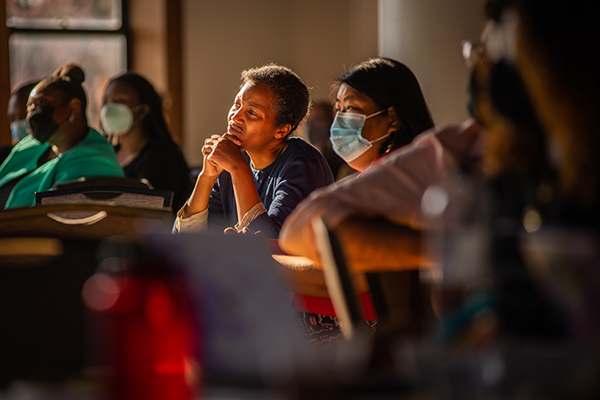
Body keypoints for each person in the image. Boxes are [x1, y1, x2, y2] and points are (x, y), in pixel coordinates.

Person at [279, 58, 435, 343]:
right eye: (338, 110)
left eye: (350, 109)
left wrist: (263, 262)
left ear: (393, 116)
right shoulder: (375, 173)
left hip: (370, 331)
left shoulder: (400, 176)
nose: (339, 122)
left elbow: (349, 274)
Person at [174, 64, 334, 239]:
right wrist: (207, 176)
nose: (235, 117)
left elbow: (271, 244)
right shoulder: (232, 160)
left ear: (281, 131)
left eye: (251, 112)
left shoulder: (303, 163)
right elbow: (185, 239)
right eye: (237, 105)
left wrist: (238, 169)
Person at [0, 64, 123, 209]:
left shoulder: (96, 162)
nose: (32, 114)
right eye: (30, 107)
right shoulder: (31, 146)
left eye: (41, 103)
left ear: (73, 108)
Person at [100, 72, 193, 211]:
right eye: (106, 101)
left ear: (143, 110)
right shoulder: (108, 153)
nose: (109, 108)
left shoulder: (162, 157)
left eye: (119, 100)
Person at [0, 81, 39, 164]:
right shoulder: (6, 157)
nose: (17, 124)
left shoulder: (51, 159)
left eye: (25, 116)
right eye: (12, 118)